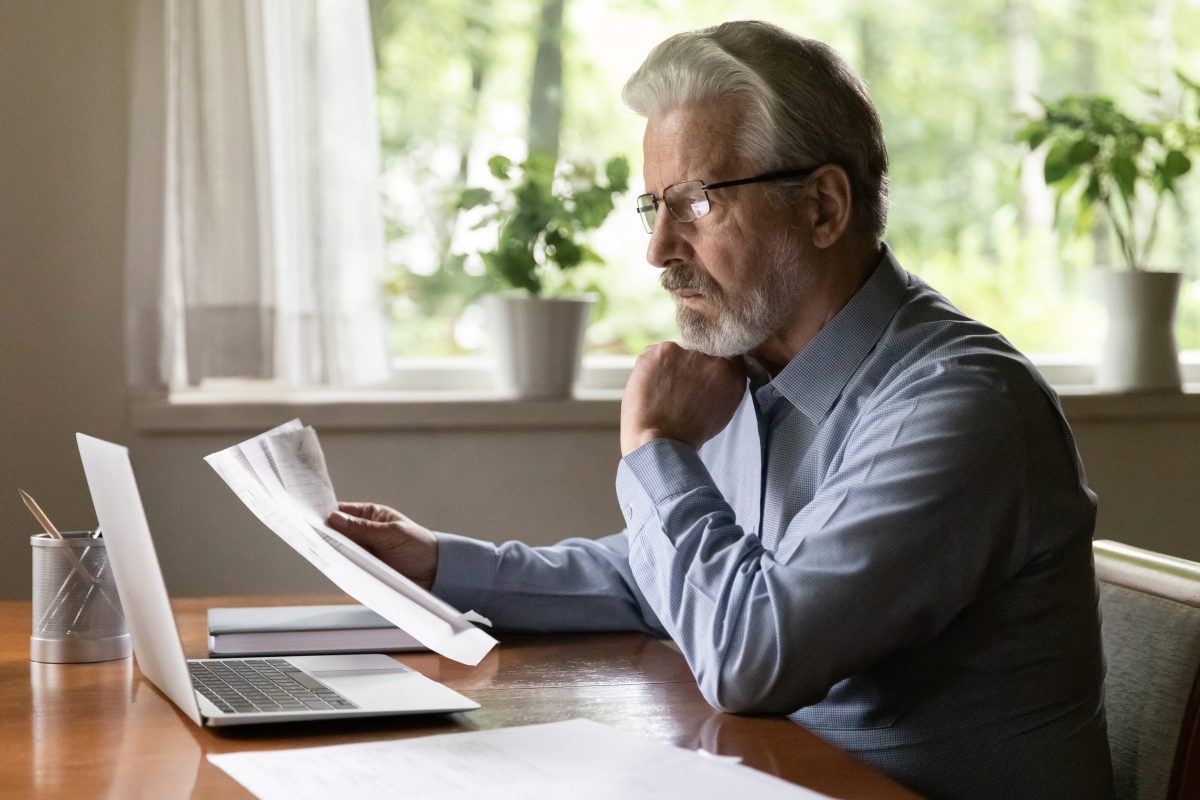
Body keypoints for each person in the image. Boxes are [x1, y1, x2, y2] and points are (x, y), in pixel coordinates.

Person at [327, 20, 1113, 800]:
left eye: (695, 203)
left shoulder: (960, 405)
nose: (658, 248)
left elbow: (750, 656)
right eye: (654, 207)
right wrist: (439, 563)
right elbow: (666, 581)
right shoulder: (761, 367)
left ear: (823, 208)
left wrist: (655, 446)